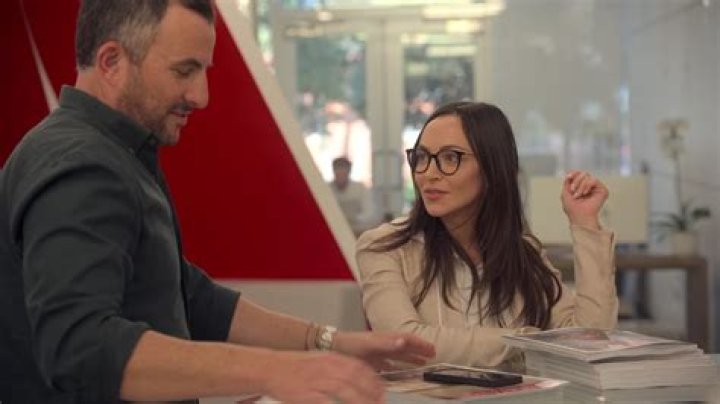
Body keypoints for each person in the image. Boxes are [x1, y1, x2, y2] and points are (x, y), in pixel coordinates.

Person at [0, 1, 435, 403]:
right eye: (184, 70)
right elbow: (81, 348)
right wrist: (275, 372)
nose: (201, 95)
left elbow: (188, 295)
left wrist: (330, 343)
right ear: (111, 61)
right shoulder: (83, 167)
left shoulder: (118, 154)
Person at [356, 101, 617, 370]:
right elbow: (404, 345)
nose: (429, 174)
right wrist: (525, 342)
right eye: (422, 157)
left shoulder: (523, 252)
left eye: (450, 158)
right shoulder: (384, 247)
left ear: (492, 168)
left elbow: (590, 341)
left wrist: (585, 223)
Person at [329, 156, 377, 235]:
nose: (340, 173)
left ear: (349, 171)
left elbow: (369, 212)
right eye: (338, 169)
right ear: (333, 171)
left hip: (356, 230)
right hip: (333, 229)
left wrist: (354, 219)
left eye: (343, 170)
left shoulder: (360, 188)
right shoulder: (327, 189)